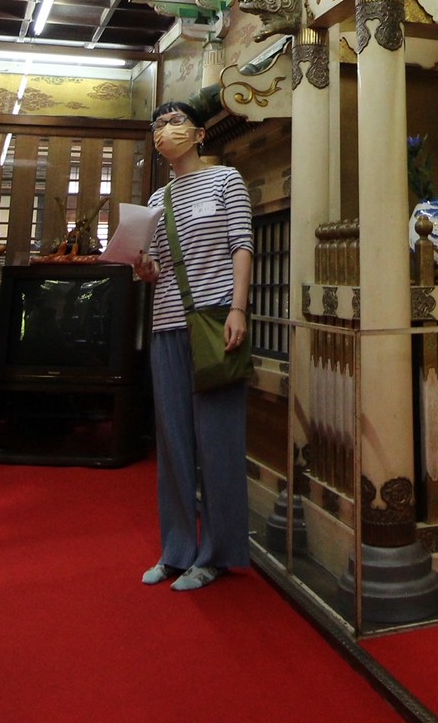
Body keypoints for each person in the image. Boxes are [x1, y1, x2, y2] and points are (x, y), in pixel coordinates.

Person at [136, 101, 253, 592]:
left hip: (215, 320)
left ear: (200, 134)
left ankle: (218, 553)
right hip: (166, 325)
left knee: (218, 440)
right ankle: (178, 549)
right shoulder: (154, 202)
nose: (167, 130)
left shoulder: (227, 180)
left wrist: (239, 308)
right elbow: (156, 267)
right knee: (174, 443)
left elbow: (241, 244)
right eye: (159, 125)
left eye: (176, 122)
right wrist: (145, 270)